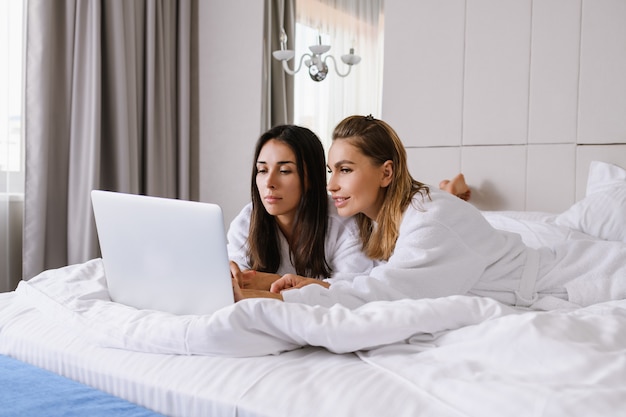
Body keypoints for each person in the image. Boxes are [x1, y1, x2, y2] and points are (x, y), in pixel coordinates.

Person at [235, 115, 626, 310]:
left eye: (346, 170)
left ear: (386, 172)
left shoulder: (430, 219)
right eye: (330, 171)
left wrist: (299, 294)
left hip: (590, 273)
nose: (332, 185)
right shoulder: (377, 220)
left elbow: (388, 291)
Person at [227, 124, 376, 296]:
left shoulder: (345, 225)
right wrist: (230, 274)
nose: (269, 182)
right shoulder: (246, 221)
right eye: (262, 170)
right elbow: (240, 284)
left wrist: (270, 281)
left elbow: (351, 292)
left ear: (310, 178)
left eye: (284, 171)